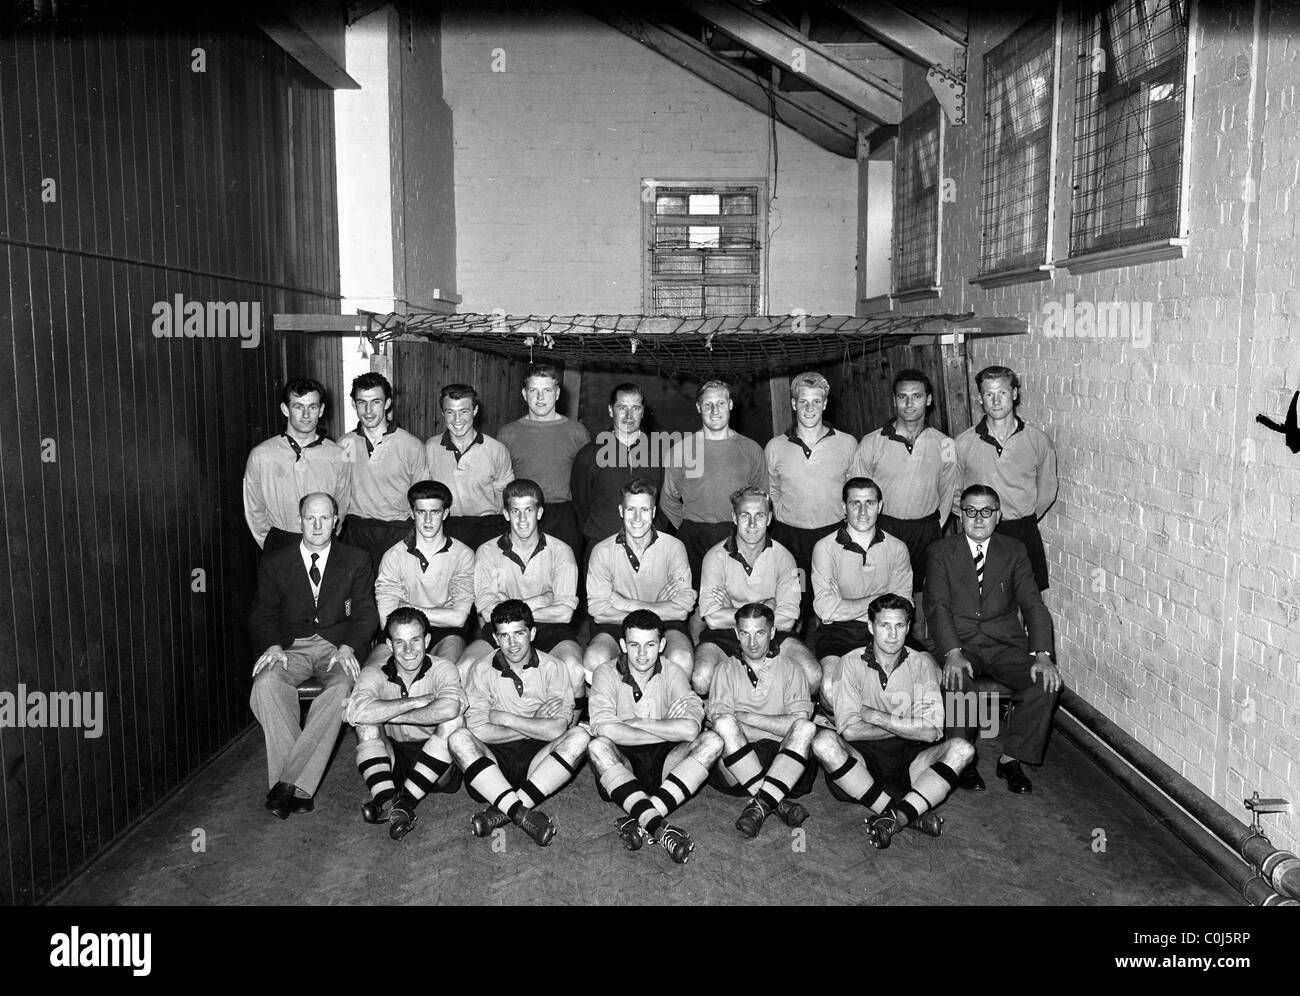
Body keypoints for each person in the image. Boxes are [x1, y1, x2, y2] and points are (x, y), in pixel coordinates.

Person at [925, 485, 1063, 793]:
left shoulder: (1014, 550)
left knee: (1045, 682)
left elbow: (1032, 604)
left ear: (997, 516)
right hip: (959, 643)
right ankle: (960, 761)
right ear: (961, 515)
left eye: (986, 512)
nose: (978, 519)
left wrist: (1042, 654)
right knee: (958, 679)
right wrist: (952, 652)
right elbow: (937, 607)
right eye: (971, 511)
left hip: (1004, 645)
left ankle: (1011, 759)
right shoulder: (940, 552)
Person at [248, 492, 377, 818]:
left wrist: (349, 647)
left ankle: (284, 785)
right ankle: (299, 788)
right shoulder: (275, 562)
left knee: (338, 691)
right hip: (290, 647)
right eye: (310, 518)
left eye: (325, 518)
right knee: (266, 685)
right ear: (299, 520)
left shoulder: (356, 558)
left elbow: (366, 613)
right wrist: (273, 646)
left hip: (338, 647)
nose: (317, 525)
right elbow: (263, 613)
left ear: (337, 522)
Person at [811, 593, 973, 849]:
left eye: (899, 626)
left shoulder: (921, 665)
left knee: (963, 749)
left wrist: (875, 715)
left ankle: (893, 817)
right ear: (870, 626)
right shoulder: (849, 663)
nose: (892, 634)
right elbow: (850, 731)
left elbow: (931, 733)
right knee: (823, 743)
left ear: (908, 628)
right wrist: (909, 725)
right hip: (860, 766)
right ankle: (907, 814)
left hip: (910, 764)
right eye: (884, 625)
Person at [449, 600, 591, 847]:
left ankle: (502, 809)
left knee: (579, 736)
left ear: (532, 633)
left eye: (519, 634)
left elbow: (558, 728)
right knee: (458, 739)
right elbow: (478, 730)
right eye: (504, 636)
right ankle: (521, 813)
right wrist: (535, 723)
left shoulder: (554, 667)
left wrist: (505, 718)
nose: (512, 644)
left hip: (537, 760)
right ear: (495, 637)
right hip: (494, 760)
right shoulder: (481, 669)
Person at [587, 610, 723, 864]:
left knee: (713, 741)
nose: (641, 654)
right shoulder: (605, 673)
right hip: (623, 760)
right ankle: (659, 826)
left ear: (661, 645)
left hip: (666, 760)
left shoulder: (673, 671)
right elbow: (605, 730)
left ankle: (642, 818)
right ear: (622, 645)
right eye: (634, 645)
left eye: (649, 645)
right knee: (597, 747)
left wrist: (639, 722)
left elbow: (692, 730)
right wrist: (666, 726)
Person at [461, 479, 584, 720]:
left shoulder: (561, 551)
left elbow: (565, 613)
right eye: (515, 511)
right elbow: (488, 613)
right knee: (463, 668)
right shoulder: (487, 551)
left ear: (540, 512)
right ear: (506, 514)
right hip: (501, 631)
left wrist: (510, 605)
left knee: (576, 670)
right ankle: (475, 734)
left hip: (549, 629)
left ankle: (568, 735)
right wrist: (542, 599)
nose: (523, 519)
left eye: (529, 510)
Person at [851, 369, 958, 638]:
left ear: (929, 400)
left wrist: (936, 524)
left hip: (926, 529)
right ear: (894, 401)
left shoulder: (945, 443)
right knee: (883, 592)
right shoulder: (872, 442)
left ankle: (921, 647)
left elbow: (948, 491)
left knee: (923, 592)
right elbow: (857, 492)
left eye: (917, 396)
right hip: (886, 529)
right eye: (903, 397)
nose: (909, 404)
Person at [344, 608, 466, 841]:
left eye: (415, 640)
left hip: (438, 762)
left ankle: (405, 803)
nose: (408, 650)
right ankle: (388, 800)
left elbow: (450, 708)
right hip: (395, 757)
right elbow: (356, 712)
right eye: (400, 642)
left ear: (427, 640)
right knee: (365, 724)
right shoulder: (373, 672)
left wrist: (389, 714)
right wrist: (415, 702)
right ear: (389, 645)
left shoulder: (443, 668)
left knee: (455, 721)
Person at [692, 486, 819, 697]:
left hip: (774, 633)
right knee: (701, 678)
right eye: (745, 516)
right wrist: (764, 608)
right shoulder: (714, 557)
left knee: (812, 675)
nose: (752, 524)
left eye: (759, 516)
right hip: (726, 634)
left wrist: (732, 610)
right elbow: (713, 619)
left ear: (769, 518)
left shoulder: (785, 558)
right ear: (734, 517)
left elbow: (787, 621)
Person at [706, 603, 818, 838]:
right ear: (736, 634)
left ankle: (760, 803)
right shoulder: (724, 669)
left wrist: (747, 718)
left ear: (773, 632)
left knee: (806, 728)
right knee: (724, 725)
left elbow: (799, 722)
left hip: (786, 759)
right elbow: (721, 724)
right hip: (740, 764)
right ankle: (774, 801)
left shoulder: (791, 668)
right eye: (745, 633)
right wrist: (780, 729)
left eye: (760, 633)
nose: (752, 642)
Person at [809, 477, 913, 722]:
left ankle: (872, 728)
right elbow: (825, 609)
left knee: (928, 681)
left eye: (870, 503)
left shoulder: (897, 548)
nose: (863, 511)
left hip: (888, 630)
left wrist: (844, 605)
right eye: (855, 503)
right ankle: (844, 725)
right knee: (831, 690)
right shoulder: (824, 548)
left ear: (880, 506)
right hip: (839, 633)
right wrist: (883, 597)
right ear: (843, 507)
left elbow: (904, 606)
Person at [954, 365, 1058, 590]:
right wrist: (976, 521)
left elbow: (1047, 489)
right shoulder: (963, 443)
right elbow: (954, 492)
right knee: (983, 599)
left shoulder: (1037, 440)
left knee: (1027, 600)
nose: (996, 400)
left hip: (1023, 530)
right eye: (988, 394)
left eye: (1002, 392)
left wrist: (1024, 517)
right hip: (981, 532)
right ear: (980, 398)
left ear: (1014, 393)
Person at [765, 372, 857, 623]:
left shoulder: (847, 444)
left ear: (825, 403)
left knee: (831, 604)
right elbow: (771, 491)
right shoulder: (775, 446)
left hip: (833, 537)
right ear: (793, 403)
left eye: (816, 401)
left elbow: (855, 494)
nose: (809, 408)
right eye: (803, 401)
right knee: (794, 604)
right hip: (791, 539)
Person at [583, 478, 695, 681]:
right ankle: (601, 711)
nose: (637, 518)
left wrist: (628, 604)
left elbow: (682, 610)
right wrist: (660, 606)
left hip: (666, 625)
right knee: (594, 658)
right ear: (620, 511)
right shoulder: (601, 551)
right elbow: (599, 613)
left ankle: (674, 711)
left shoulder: (674, 547)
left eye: (644, 510)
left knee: (682, 658)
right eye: (630, 509)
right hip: (619, 626)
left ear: (653, 512)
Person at [660, 380, 767, 587]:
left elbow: (763, 498)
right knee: (695, 606)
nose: (714, 410)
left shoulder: (751, 449)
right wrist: (688, 525)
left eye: (720, 403)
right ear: (699, 407)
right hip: (694, 537)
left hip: (738, 534)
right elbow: (668, 498)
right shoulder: (681, 450)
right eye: (708, 404)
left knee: (738, 601)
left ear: (731, 405)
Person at [372, 480, 475, 665]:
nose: (428, 520)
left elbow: (459, 618)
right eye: (421, 512)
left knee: (445, 671)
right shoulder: (393, 556)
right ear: (412, 513)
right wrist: (443, 613)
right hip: (401, 631)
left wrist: (407, 608)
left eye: (434, 512)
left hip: (446, 632)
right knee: (373, 672)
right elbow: (386, 621)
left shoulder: (464, 555)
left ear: (445, 513)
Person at [243, 378, 351, 553]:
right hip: (279, 543)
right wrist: (271, 543)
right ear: (285, 409)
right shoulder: (261, 455)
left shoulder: (338, 455)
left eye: (313, 407)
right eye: (298, 407)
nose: (306, 414)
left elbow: (341, 506)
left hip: (322, 543)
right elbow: (254, 510)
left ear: (321, 410)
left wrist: (324, 541)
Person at [496, 363, 590, 555]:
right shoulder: (508, 434)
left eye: (547, 390)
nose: (540, 398)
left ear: (557, 394)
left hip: (564, 516)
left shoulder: (577, 432)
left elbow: (587, 483)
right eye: (533, 390)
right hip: (522, 514)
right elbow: (499, 483)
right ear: (524, 394)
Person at [339, 372, 429, 569]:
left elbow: (423, 499)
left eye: (376, 402)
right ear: (354, 404)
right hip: (356, 531)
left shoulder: (411, 445)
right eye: (362, 402)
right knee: (358, 596)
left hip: (396, 531)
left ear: (387, 403)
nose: (368, 410)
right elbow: (339, 493)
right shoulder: (345, 444)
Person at [570, 382, 669, 552]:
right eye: (622, 408)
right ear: (611, 410)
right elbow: (581, 505)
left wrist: (655, 533)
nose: (629, 415)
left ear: (643, 411)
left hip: (648, 547)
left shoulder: (659, 454)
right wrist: (597, 533)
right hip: (602, 545)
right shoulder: (589, 455)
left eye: (635, 408)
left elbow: (666, 502)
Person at [424, 383, 514, 552]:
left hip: (486, 529)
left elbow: (505, 499)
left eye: (464, 411)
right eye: (450, 412)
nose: (457, 420)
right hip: (445, 528)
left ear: (475, 410)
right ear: (443, 413)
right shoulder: (430, 448)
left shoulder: (496, 450)